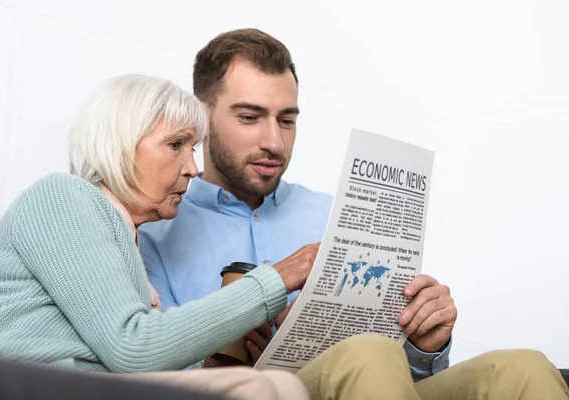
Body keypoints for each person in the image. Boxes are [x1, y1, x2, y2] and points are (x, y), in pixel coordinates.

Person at [138, 29, 569, 399]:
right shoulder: (155, 231)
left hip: (373, 384)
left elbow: (405, 374)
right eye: (250, 117)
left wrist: (424, 344)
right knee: (368, 354)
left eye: (287, 120)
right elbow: (151, 365)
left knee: (524, 369)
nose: (274, 141)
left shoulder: (332, 213)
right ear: (202, 115)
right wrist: (226, 361)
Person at [0, 74, 312, 400]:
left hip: (77, 385)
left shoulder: (124, 240)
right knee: (257, 390)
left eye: (192, 148)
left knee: (278, 384)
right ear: (118, 146)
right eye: (176, 144)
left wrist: (210, 367)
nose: (192, 168)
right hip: (16, 385)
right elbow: (131, 348)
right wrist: (276, 279)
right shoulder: (61, 196)